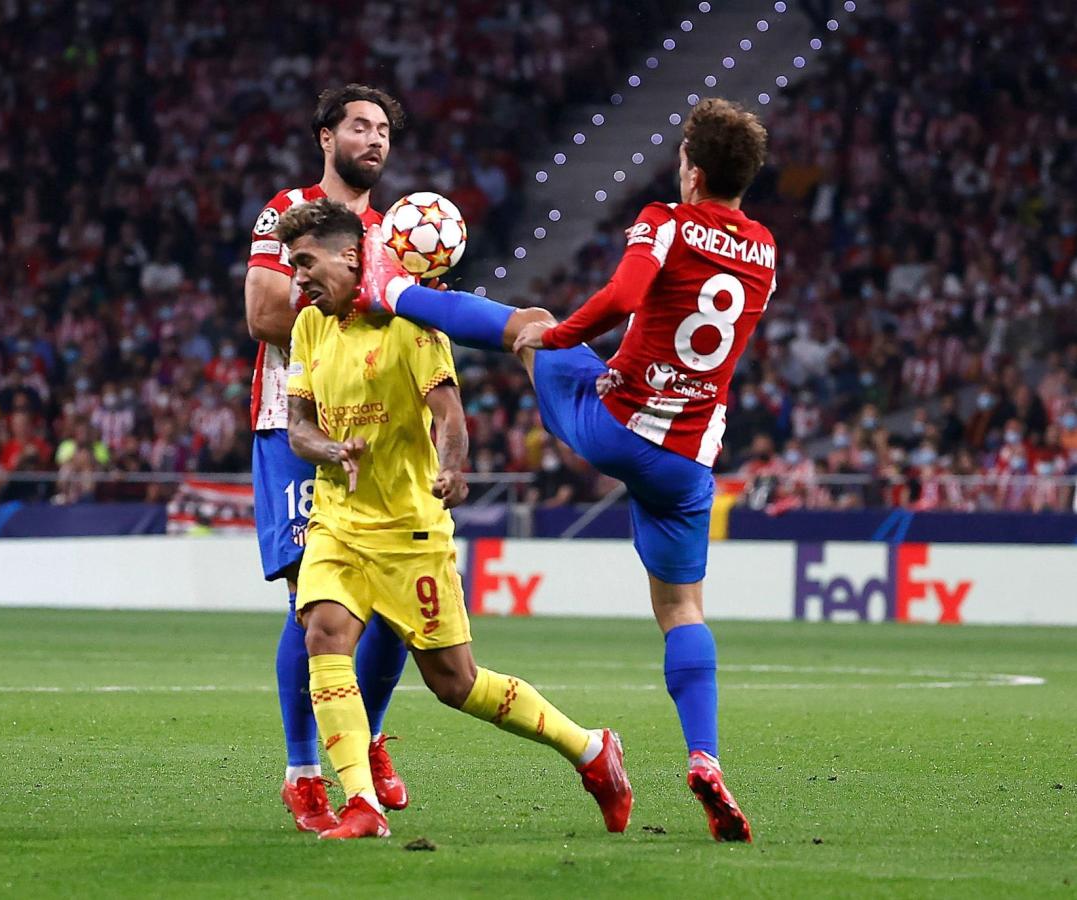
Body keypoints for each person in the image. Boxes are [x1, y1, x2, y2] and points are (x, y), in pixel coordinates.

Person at [357, 98, 771, 842]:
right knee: (682, 611)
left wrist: (562, 341)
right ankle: (705, 757)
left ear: (693, 167)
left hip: (618, 426)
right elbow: (688, 327)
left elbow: (622, 296)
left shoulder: (665, 220)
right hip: (687, 461)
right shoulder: (767, 250)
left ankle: (394, 291)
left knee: (531, 328)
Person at [278, 198, 630, 840]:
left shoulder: (412, 325)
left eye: (304, 262)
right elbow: (298, 425)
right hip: (337, 521)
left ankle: (590, 749)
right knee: (323, 635)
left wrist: (453, 468)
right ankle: (362, 803)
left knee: (455, 683)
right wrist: (331, 449)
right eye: (290, 264)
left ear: (350, 256)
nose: (296, 277)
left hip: (410, 531)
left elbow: (448, 416)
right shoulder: (307, 328)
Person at [243, 84, 413, 832]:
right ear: (325, 135)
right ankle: (304, 772)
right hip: (295, 421)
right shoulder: (289, 209)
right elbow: (261, 313)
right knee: (312, 601)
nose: (373, 139)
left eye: (382, 130)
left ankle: (366, 739)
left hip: (377, 429)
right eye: (359, 126)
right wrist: (357, 306)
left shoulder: (395, 229)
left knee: (397, 604)